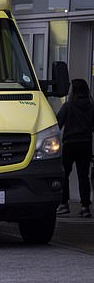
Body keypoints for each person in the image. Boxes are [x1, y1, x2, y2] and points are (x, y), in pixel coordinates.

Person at [56, 79, 94, 218]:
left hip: (71, 144)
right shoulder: (91, 107)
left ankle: (64, 204)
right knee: (83, 176)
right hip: (86, 144)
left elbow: (58, 123)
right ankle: (85, 207)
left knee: (64, 174)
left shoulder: (68, 106)